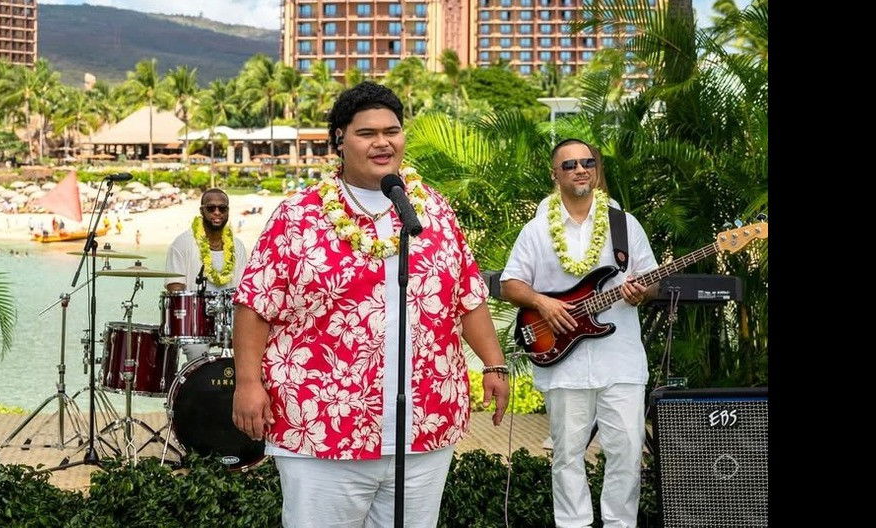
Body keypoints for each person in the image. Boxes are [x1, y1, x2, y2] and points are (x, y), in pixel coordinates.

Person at [232, 82, 509, 528]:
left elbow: (469, 295)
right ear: (340, 139)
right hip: (322, 424)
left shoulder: (433, 210)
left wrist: (494, 365)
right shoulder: (299, 215)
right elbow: (254, 304)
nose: (383, 142)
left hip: (424, 424)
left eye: (392, 131)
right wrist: (248, 383)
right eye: (367, 133)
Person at [500, 138, 657, 528]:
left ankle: (620, 524)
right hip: (562, 363)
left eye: (588, 162)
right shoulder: (537, 229)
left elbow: (651, 280)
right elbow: (510, 284)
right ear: (555, 174)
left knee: (627, 453)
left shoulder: (624, 224)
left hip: (621, 360)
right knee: (567, 455)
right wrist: (543, 303)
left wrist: (642, 291)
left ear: (597, 169)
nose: (580, 169)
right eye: (569, 165)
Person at [164, 188, 249, 362]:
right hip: (196, 323)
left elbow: (244, 289)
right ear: (202, 211)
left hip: (230, 320)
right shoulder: (182, 243)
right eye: (211, 208)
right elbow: (175, 287)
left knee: (248, 350)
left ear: (227, 211)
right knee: (197, 353)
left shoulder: (237, 246)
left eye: (222, 208)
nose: (217, 213)